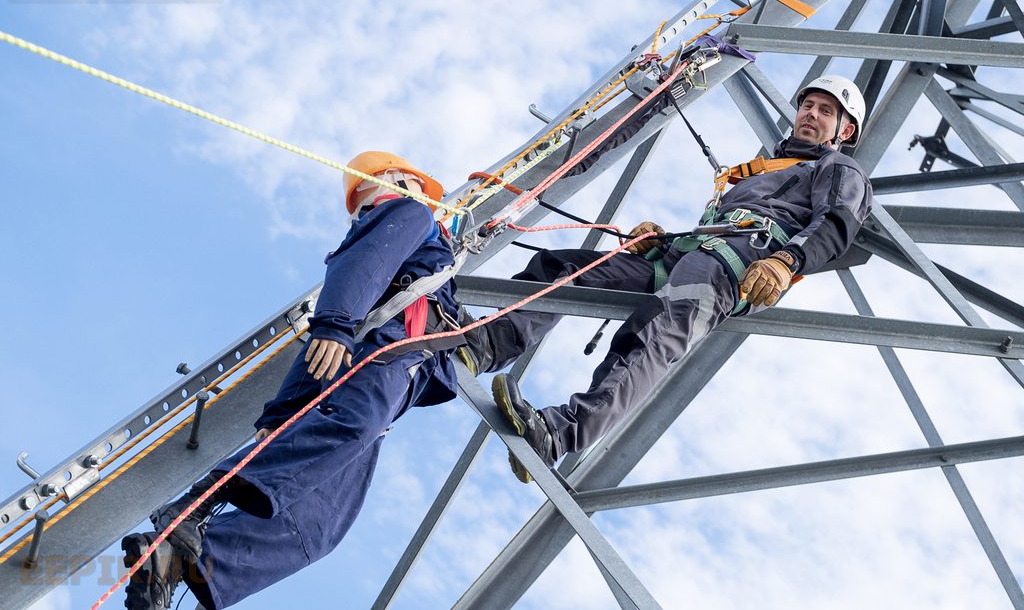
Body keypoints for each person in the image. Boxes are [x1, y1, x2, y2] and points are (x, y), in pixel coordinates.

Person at [461, 75, 874, 483]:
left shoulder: (838, 168)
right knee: (567, 267)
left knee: (655, 331)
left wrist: (786, 261)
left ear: (845, 129)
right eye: (808, 106)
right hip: (688, 251)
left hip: (735, 263)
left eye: (826, 111)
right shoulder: (765, 170)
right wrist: (663, 238)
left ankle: (558, 433)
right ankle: (486, 343)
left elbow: (837, 223)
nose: (811, 115)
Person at [121, 151, 460, 609]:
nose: (425, 193)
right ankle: (188, 512)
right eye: (417, 182)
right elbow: (366, 263)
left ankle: (184, 561)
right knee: (350, 426)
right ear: (394, 179)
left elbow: (318, 357)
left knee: (322, 523)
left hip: (390, 367)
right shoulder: (409, 210)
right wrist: (335, 324)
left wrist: (280, 417)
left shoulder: (420, 235)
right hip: (383, 352)